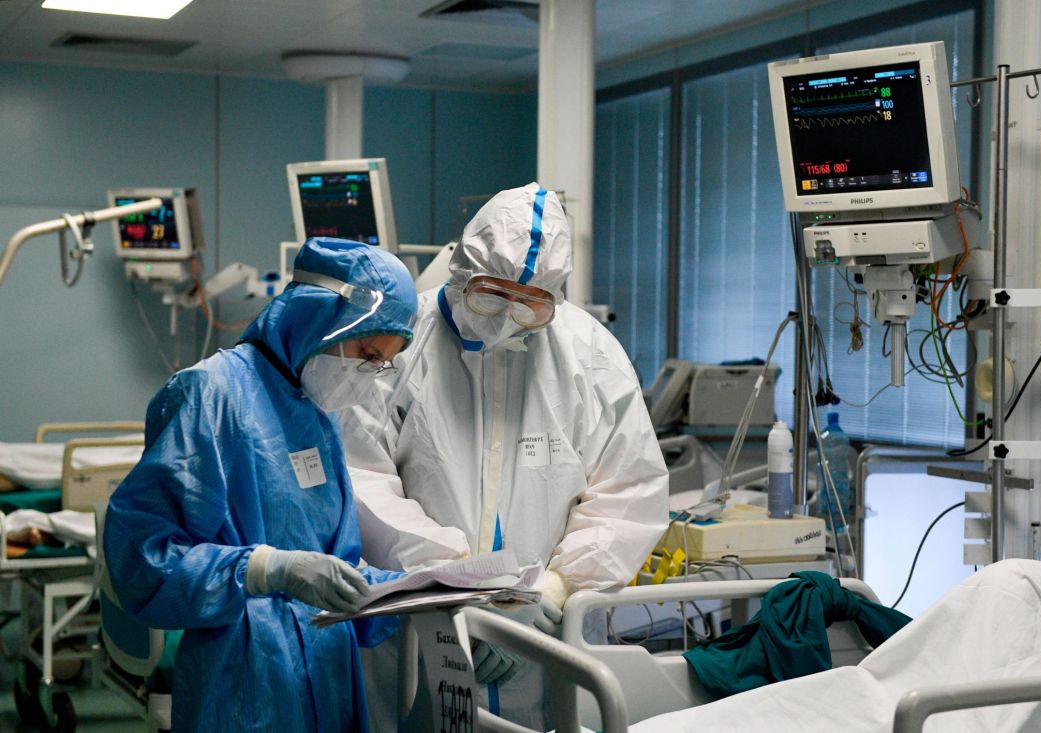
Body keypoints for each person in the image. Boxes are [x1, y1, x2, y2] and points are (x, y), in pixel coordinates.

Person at [342, 183, 670, 729]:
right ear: (461, 271)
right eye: (489, 296)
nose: (505, 319)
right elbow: (362, 477)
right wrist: (455, 584)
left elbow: (628, 489)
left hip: (541, 637)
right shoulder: (401, 343)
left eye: (530, 306)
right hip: (421, 629)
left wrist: (557, 586)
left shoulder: (588, 353)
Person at [103, 237, 418, 732]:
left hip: (328, 675)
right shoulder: (210, 393)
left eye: (381, 362)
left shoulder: (317, 410)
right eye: (365, 350)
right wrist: (269, 569)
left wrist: (414, 595)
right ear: (320, 316)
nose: (367, 374)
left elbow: (333, 562)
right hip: (244, 684)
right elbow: (143, 558)